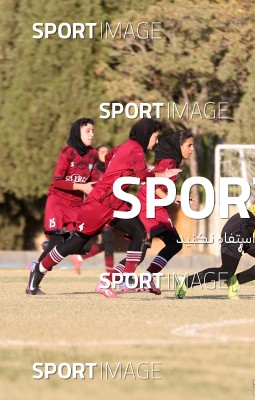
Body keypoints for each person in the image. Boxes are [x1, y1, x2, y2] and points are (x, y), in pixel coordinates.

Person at [26, 118, 180, 298]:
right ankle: (39, 269)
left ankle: (117, 281)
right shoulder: (136, 149)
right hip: (100, 203)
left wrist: (114, 175)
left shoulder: (125, 146)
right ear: (146, 134)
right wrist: (163, 174)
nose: (157, 141)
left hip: (116, 202)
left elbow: (108, 158)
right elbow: (140, 176)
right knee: (76, 243)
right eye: (155, 136)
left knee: (139, 233)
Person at [115, 130, 197, 295]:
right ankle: (141, 277)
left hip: (147, 206)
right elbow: (152, 184)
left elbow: (154, 183)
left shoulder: (163, 161)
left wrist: (177, 197)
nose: (192, 149)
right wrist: (169, 198)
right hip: (152, 209)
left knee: (141, 250)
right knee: (174, 243)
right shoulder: (169, 162)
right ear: (179, 145)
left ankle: (117, 279)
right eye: (189, 145)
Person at [26, 118, 97, 294]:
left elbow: (89, 181)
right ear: (77, 133)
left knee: (85, 245)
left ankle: (50, 250)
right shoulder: (67, 152)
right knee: (54, 246)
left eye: (93, 131)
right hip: (57, 202)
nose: (92, 135)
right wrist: (81, 186)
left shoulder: (93, 154)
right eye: (87, 131)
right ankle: (33, 285)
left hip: (76, 205)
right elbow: (57, 181)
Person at [70, 144, 116, 274]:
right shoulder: (93, 171)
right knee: (109, 241)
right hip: (98, 209)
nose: (105, 154)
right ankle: (110, 274)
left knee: (108, 243)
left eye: (107, 152)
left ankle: (79, 257)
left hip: (110, 208)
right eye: (102, 152)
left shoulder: (113, 170)